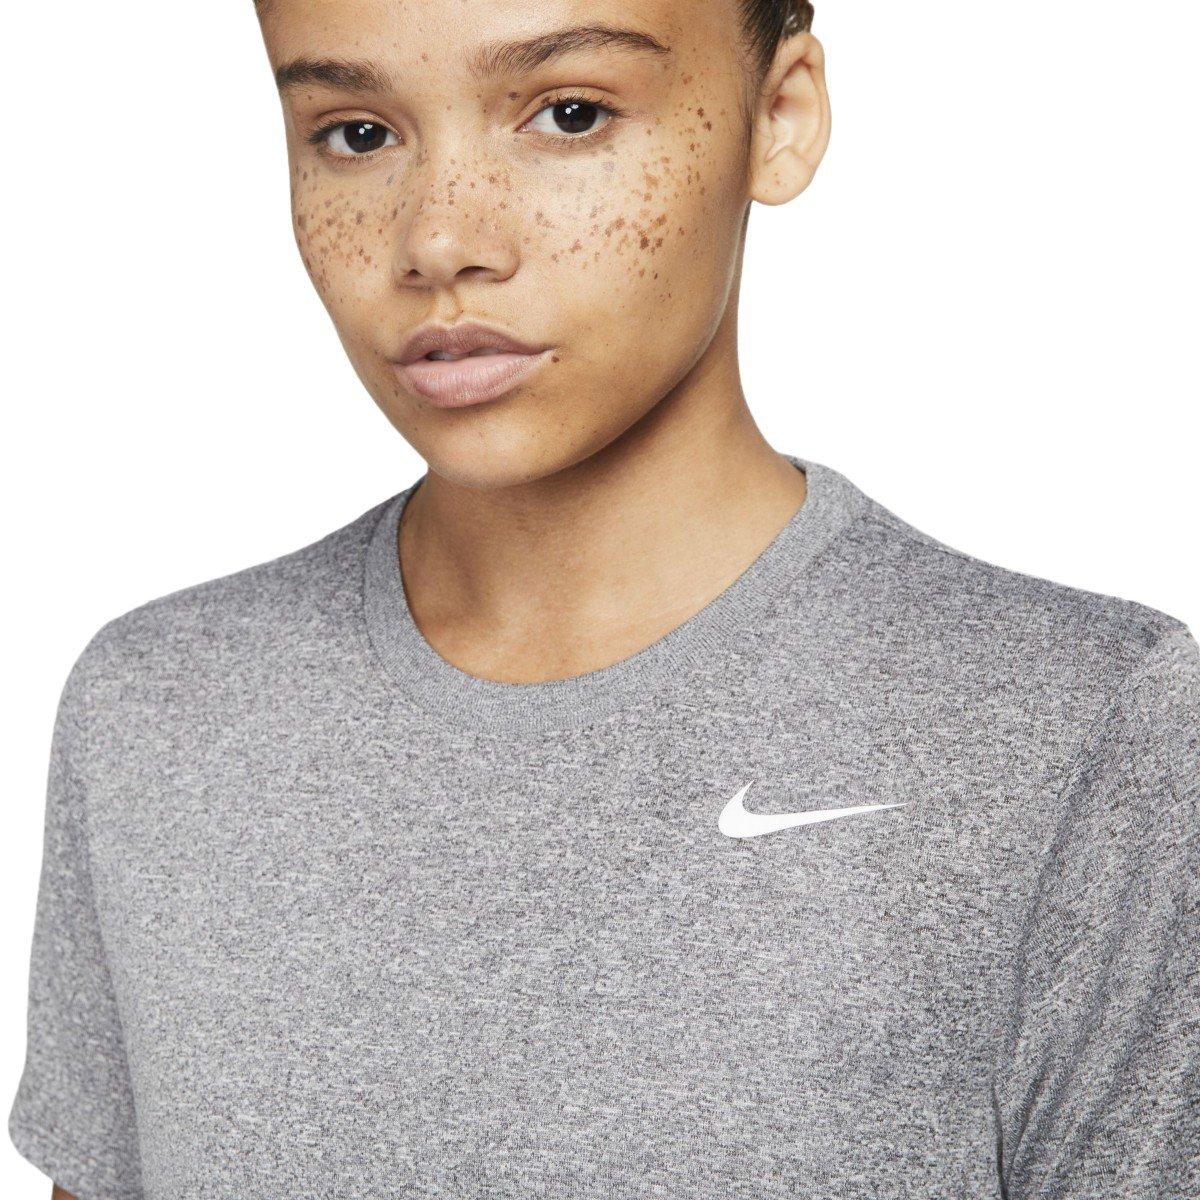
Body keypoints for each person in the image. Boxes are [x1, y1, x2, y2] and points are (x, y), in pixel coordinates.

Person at [9, 0, 1198, 1196]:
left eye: (569, 115)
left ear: (779, 116)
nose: (439, 240)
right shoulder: (160, 713)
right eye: (357, 134)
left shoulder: (1071, 726)